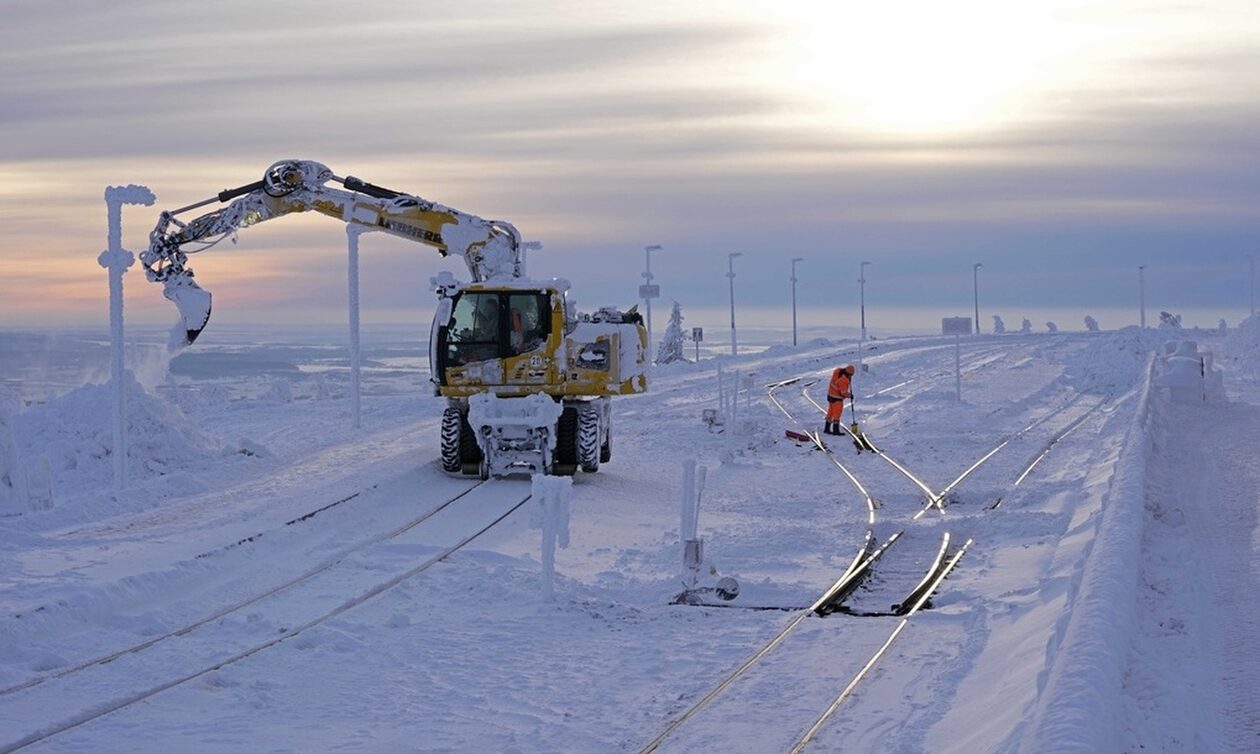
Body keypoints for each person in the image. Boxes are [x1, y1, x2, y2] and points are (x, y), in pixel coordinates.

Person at [824, 364, 855, 435]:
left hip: (830, 396)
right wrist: (850, 395)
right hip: (837, 398)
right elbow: (843, 392)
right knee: (837, 414)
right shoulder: (843, 380)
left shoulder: (837, 372)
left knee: (830, 412)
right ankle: (836, 430)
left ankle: (827, 428)